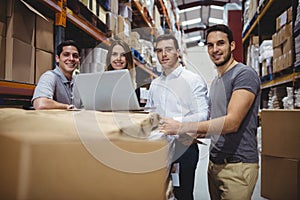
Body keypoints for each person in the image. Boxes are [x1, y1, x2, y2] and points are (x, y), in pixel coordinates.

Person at [159, 24, 261, 200]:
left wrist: (181, 127)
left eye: (220, 43)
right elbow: (215, 124)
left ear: (232, 45)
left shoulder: (244, 75)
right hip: (215, 165)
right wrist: (193, 134)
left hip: (238, 165)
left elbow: (231, 123)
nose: (215, 49)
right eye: (210, 45)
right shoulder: (215, 82)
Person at [146, 34, 209, 200]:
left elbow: (203, 114)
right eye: (159, 51)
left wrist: (176, 123)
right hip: (159, 147)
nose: (163, 54)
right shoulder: (155, 84)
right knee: (160, 193)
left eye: (168, 50)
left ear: (178, 52)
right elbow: (150, 111)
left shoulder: (193, 80)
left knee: (182, 194)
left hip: (184, 147)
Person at [32, 40, 81, 110]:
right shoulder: (49, 76)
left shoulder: (76, 82)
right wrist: (67, 107)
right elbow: (40, 104)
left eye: (75, 56)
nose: (71, 59)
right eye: (66, 55)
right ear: (57, 58)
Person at [105, 39, 140, 104]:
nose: (118, 58)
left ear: (128, 59)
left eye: (123, 55)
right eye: (114, 54)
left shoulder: (134, 86)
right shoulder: (102, 84)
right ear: (109, 57)